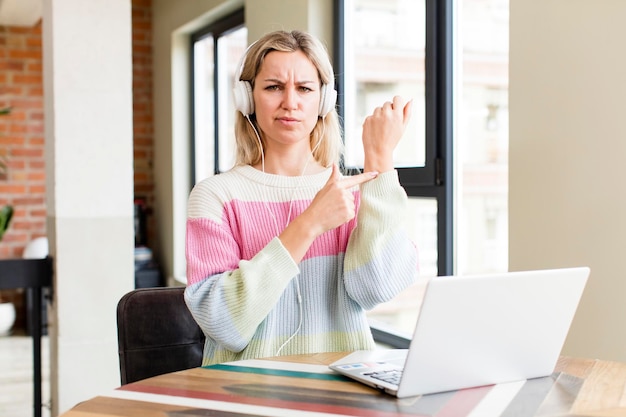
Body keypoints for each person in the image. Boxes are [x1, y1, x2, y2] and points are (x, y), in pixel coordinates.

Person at [185, 29, 418, 366]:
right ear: (247, 98)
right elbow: (225, 323)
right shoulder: (214, 197)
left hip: (341, 391)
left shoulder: (345, 193)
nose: (290, 103)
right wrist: (308, 224)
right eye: (273, 87)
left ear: (323, 101)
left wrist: (380, 158)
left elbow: (375, 289)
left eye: (305, 89)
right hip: (245, 394)